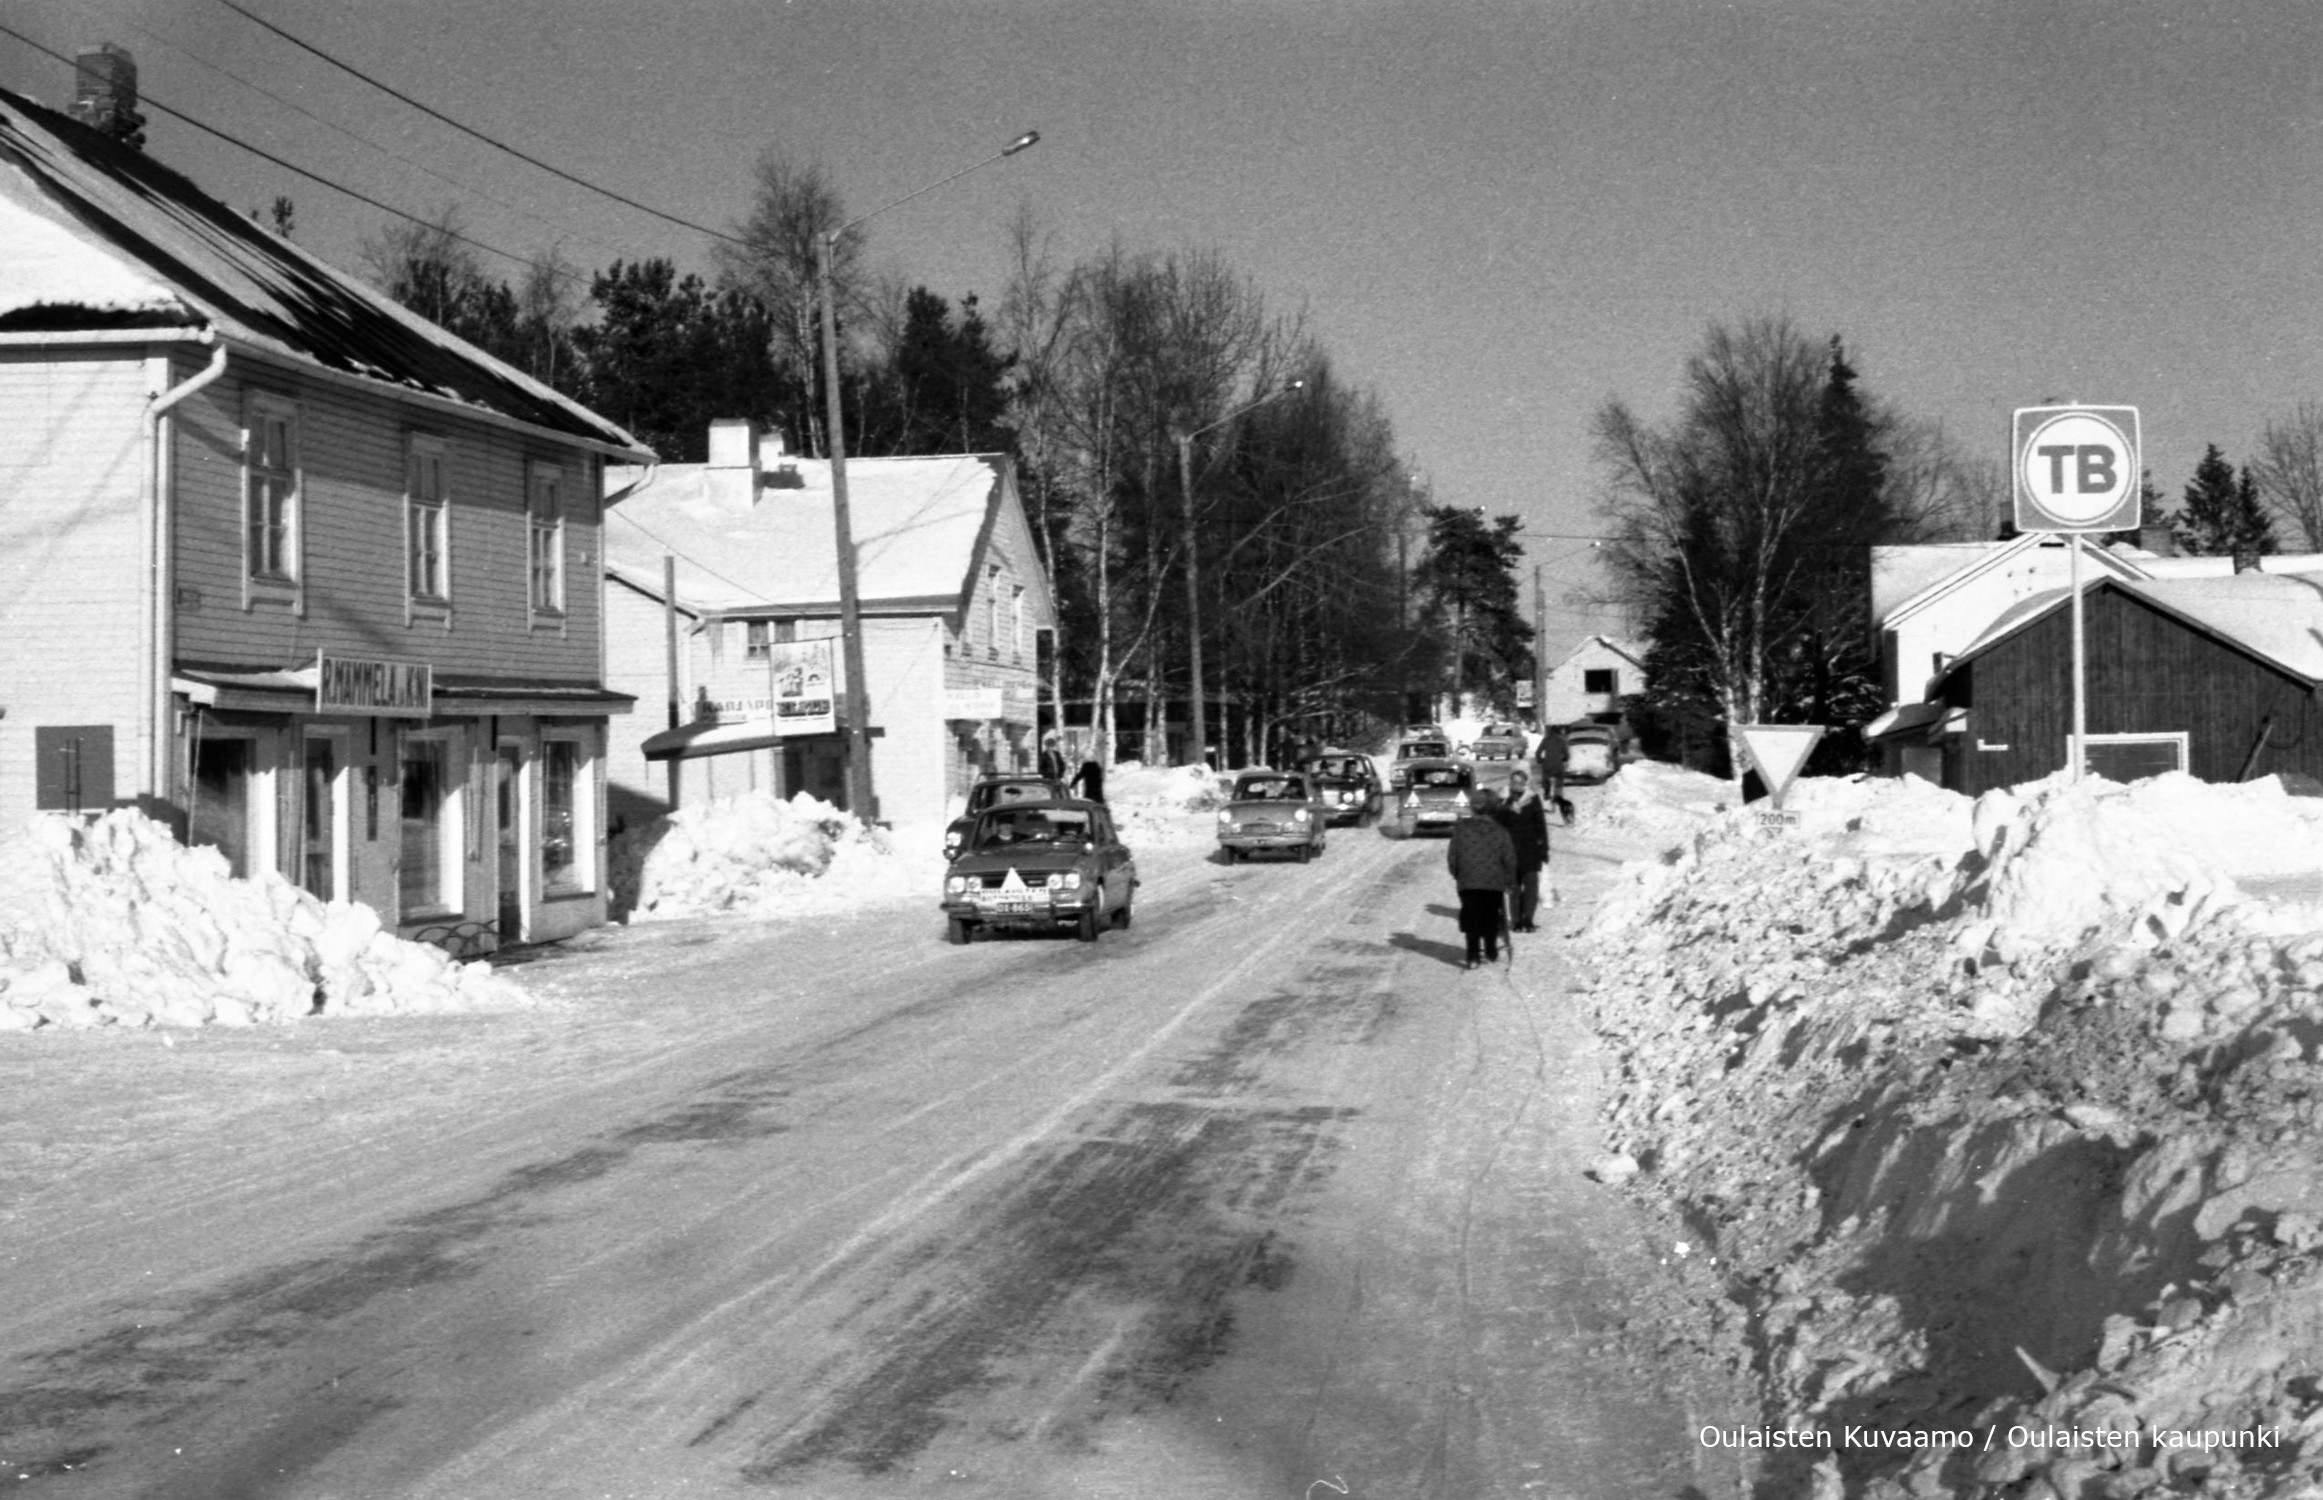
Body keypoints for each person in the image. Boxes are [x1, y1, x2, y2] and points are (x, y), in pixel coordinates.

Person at [1447, 786, 1518, 969]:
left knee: (1471, 916)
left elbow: (1453, 856)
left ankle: (1472, 955)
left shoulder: (1461, 829)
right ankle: (1490, 948)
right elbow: (1509, 858)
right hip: (1494, 882)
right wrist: (1510, 881)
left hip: (1468, 880)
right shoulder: (1501, 831)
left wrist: (1457, 874)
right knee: (1491, 915)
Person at [1497, 769, 1551, 932]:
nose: (1517, 786)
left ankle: (1528, 919)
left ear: (1525, 784)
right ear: (1510, 783)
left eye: (1520, 783)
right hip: (1510, 851)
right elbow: (1497, 824)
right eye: (1514, 782)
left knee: (1531, 886)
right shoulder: (1503, 800)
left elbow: (1541, 825)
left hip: (1530, 851)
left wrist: (1544, 849)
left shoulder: (1533, 800)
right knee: (1514, 888)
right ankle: (1517, 921)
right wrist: (1507, 809)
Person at [1536, 723, 1572, 825]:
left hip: (1547, 767)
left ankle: (1546, 793)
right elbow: (1567, 755)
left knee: (1545, 776)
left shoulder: (1546, 740)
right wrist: (1564, 759)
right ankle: (1558, 795)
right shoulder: (1562, 741)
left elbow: (1538, 753)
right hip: (1558, 767)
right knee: (1560, 779)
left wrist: (1540, 760)